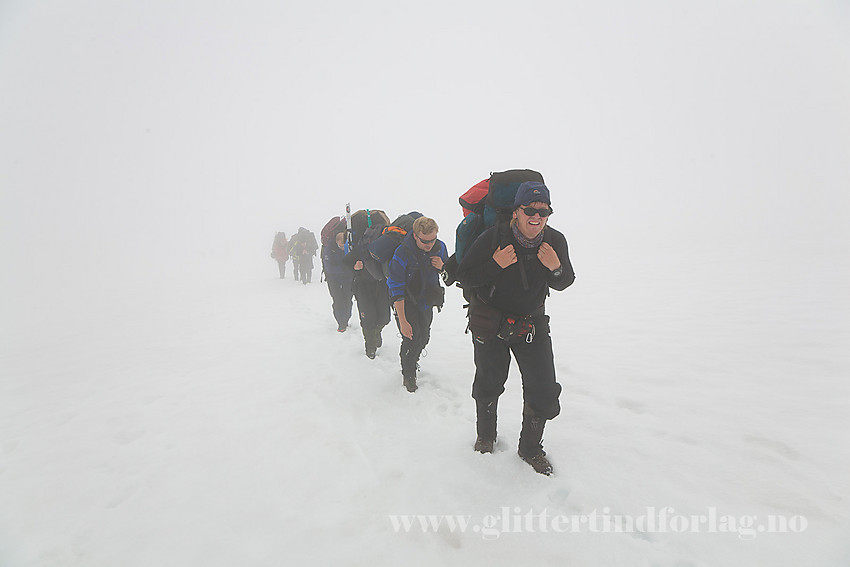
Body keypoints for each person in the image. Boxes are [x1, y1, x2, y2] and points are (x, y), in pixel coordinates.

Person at [456, 181, 575, 475]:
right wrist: (495, 264)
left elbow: (564, 281)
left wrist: (555, 267)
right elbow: (466, 276)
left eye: (543, 210)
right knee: (488, 382)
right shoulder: (493, 237)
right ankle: (486, 436)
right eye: (530, 209)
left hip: (532, 323)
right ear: (516, 212)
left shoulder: (555, 241)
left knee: (544, 390)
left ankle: (530, 449)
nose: (537, 216)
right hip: (491, 321)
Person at [387, 217, 448, 392]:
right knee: (411, 338)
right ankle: (409, 374)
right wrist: (403, 321)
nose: (429, 245)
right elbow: (396, 288)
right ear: (415, 236)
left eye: (432, 240)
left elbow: (449, 273)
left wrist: (442, 266)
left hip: (426, 300)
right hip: (405, 301)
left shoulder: (440, 247)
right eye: (424, 241)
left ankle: (412, 360)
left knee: (424, 337)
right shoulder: (402, 253)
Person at [343, 215, 392, 359]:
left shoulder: (385, 247)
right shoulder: (362, 246)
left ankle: (376, 333)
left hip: (381, 284)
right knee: (368, 318)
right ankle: (370, 346)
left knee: (384, 318)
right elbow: (346, 261)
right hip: (363, 285)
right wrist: (354, 266)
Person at [322, 232, 355, 332]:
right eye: (341, 245)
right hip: (333, 279)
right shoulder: (329, 249)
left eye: (344, 245)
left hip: (348, 279)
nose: (342, 247)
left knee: (348, 301)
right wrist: (346, 268)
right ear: (336, 242)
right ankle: (341, 323)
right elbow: (329, 268)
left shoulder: (349, 247)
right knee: (338, 301)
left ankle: (346, 319)